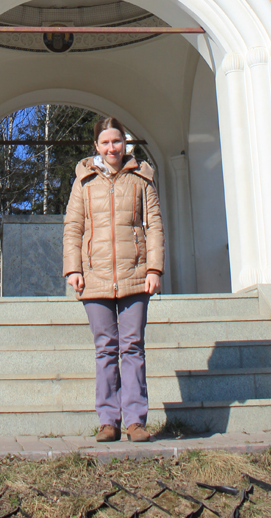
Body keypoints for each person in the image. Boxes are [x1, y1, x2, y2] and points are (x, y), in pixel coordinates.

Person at [63, 116, 165, 442]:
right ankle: (108, 420)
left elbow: (155, 227)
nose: (112, 148)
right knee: (105, 349)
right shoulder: (84, 183)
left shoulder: (141, 180)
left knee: (132, 347)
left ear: (125, 143)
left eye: (117, 141)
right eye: (105, 142)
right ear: (96, 146)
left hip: (136, 275)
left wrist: (154, 270)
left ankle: (135, 421)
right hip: (95, 277)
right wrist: (74, 269)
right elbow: (73, 229)